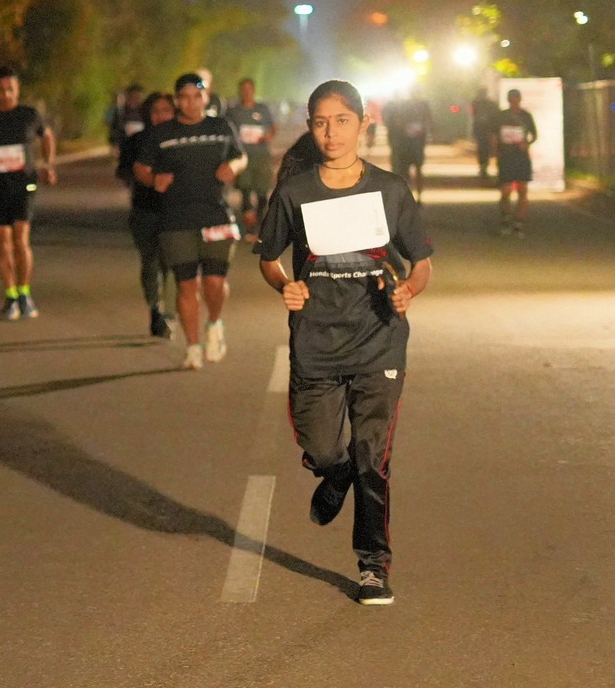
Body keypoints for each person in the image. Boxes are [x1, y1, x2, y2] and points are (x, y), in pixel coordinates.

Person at [255, 79, 434, 606]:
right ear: (310, 127)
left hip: (379, 340)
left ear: (363, 124)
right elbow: (269, 259)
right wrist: (285, 286)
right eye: (320, 122)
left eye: (341, 121)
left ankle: (373, 566)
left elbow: (421, 264)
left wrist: (408, 290)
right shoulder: (295, 191)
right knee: (323, 448)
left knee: (372, 455)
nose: (330, 133)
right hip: (316, 341)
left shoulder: (390, 190)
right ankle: (334, 475)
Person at [137, 72, 244, 369]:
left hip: (216, 214)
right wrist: (153, 179)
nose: (191, 103)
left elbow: (240, 156)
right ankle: (193, 347)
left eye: (197, 96)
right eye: (184, 97)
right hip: (176, 219)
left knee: (215, 281)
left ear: (206, 98)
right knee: (186, 285)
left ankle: (215, 324)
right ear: (176, 100)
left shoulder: (221, 127)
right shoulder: (162, 133)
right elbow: (141, 168)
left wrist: (233, 166)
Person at [0, 65, 57, 319]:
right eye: (1, 90)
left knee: (21, 239)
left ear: (18, 90)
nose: (6, 94)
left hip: (23, 184)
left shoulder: (29, 115)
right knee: (3, 241)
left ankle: (25, 293)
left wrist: (48, 164)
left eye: (11, 89)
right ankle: (11, 296)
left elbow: (47, 136)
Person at [118, 90, 178, 338]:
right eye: (155, 111)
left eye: (166, 111)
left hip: (178, 211)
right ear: (146, 114)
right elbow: (123, 171)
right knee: (151, 260)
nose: (161, 116)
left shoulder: (181, 140)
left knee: (172, 262)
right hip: (145, 210)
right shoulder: (136, 141)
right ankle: (156, 310)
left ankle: (170, 309)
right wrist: (142, 176)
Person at [226, 77, 278, 238]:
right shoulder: (233, 111)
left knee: (262, 191)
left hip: (261, 155)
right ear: (240, 91)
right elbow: (227, 130)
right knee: (245, 189)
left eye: (249, 89)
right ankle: (249, 226)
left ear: (254, 91)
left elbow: (273, 126)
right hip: (242, 156)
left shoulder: (262, 109)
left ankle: (260, 222)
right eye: (244, 89)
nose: (246, 92)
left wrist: (268, 136)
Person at [496, 87, 538, 235]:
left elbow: (534, 135)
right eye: (512, 100)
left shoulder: (526, 116)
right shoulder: (501, 116)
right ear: (508, 100)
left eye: (516, 99)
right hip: (506, 157)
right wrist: (496, 151)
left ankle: (519, 222)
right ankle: (506, 219)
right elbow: (493, 135)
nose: (514, 102)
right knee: (505, 191)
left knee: (522, 190)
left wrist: (527, 143)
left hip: (521, 157)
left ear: (519, 100)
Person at [384, 89, 433, 196]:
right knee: (412, 169)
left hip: (412, 143)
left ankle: (413, 194)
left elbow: (428, 121)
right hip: (409, 143)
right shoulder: (417, 105)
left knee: (411, 170)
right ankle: (413, 194)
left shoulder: (411, 105)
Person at [470, 88, 499, 183]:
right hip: (487, 129)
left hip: (482, 129)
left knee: (482, 149)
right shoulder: (491, 104)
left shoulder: (476, 103)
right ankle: (484, 167)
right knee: (486, 149)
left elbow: (473, 116)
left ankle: (483, 167)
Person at [106, 83, 147, 149]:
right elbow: (113, 128)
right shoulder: (120, 111)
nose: (135, 98)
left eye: (137, 96)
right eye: (133, 96)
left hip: (140, 144)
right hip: (124, 143)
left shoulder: (144, 110)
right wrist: (115, 144)